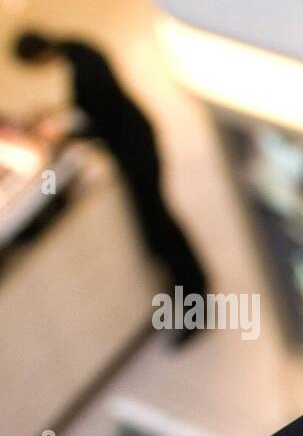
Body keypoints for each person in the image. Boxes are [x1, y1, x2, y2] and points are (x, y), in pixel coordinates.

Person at [13, 30, 209, 344]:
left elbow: (100, 119)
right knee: (159, 223)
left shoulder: (83, 66)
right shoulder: (79, 52)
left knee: (158, 227)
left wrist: (63, 134)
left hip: (134, 147)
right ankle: (191, 291)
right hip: (134, 142)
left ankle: (193, 297)